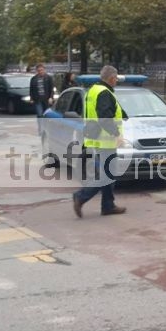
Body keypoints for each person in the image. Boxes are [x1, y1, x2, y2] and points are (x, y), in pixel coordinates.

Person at [72, 65, 127, 218]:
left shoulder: (94, 90)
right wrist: (116, 134)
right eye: (116, 78)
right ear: (111, 78)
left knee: (108, 173)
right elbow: (104, 116)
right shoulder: (104, 93)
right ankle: (81, 196)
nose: (116, 81)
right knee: (107, 174)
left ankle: (108, 206)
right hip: (106, 140)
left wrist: (124, 114)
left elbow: (105, 111)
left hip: (97, 138)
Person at [29, 64, 54, 134]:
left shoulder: (48, 78)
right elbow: (31, 89)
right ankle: (41, 129)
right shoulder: (34, 79)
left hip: (46, 99)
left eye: (42, 70)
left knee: (46, 115)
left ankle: (46, 129)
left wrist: (51, 97)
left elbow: (51, 89)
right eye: (39, 70)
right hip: (37, 99)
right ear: (37, 71)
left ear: (44, 70)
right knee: (40, 115)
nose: (40, 72)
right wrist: (31, 98)